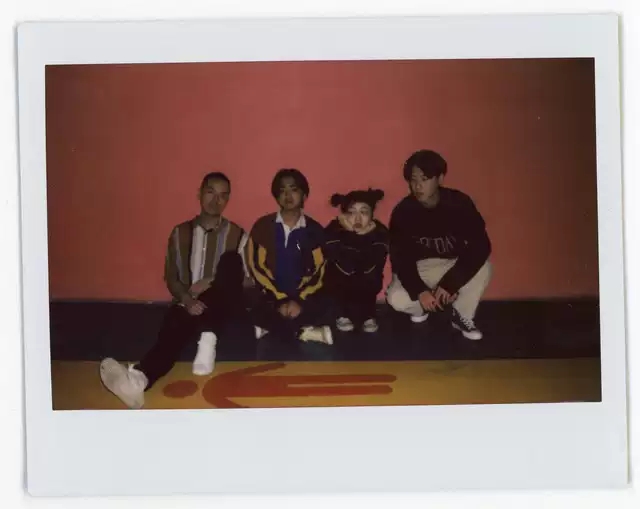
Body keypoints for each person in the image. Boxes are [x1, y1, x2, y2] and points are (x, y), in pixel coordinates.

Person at [99, 172, 251, 409]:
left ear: (228, 199)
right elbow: (171, 277)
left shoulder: (238, 235)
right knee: (170, 335)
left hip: (222, 308)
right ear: (199, 194)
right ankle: (138, 380)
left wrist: (212, 280)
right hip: (189, 304)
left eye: (223, 195)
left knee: (231, 261)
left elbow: (247, 280)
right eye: (210, 192)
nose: (216, 200)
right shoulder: (180, 233)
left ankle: (208, 338)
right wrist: (187, 299)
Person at [386, 150, 492, 340]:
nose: (418, 186)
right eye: (413, 180)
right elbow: (400, 258)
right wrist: (420, 291)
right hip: (420, 268)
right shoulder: (404, 211)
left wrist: (451, 284)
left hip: (450, 264)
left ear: (440, 179)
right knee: (395, 298)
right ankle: (422, 308)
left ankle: (462, 315)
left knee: (485, 267)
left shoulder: (459, 203)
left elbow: (481, 246)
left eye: (425, 179)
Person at [245, 168, 334, 360]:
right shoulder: (262, 227)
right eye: (282, 190)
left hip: (303, 296)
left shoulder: (314, 230)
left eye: (293, 189)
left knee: (328, 303)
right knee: (252, 303)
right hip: (271, 295)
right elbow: (256, 267)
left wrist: (299, 300)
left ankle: (273, 328)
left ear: (304, 195)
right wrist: (281, 299)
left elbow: (320, 271)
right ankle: (303, 332)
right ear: (276, 196)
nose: (287, 195)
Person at [323, 189, 389, 333]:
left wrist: (362, 237)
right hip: (341, 287)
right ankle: (341, 314)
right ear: (344, 215)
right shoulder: (334, 229)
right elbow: (345, 266)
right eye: (352, 213)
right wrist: (353, 235)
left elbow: (369, 264)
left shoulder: (380, 232)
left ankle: (368, 315)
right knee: (336, 273)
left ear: (372, 215)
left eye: (364, 212)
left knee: (371, 274)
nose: (358, 218)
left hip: (366, 287)